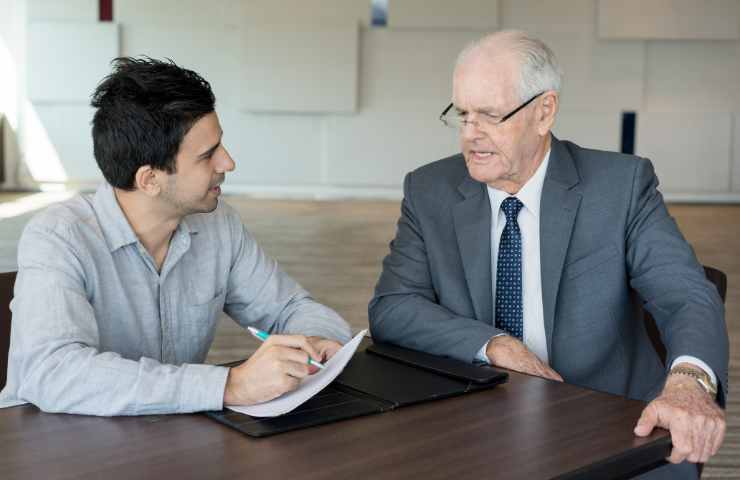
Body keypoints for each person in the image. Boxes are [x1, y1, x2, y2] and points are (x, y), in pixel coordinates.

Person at [369, 30, 727, 478]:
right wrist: (493, 345)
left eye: (490, 116)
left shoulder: (620, 186)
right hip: (474, 424)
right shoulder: (429, 191)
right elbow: (393, 307)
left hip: (614, 424)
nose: (470, 136)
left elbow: (686, 295)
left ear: (545, 111)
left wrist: (689, 384)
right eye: (461, 115)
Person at [0, 57, 351, 415]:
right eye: (208, 155)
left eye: (221, 146)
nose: (228, 163)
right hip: (54, 447)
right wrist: (230, 385)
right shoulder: (59, 237)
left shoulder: (218, 225)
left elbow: (290, 308)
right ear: (150, 180)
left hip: (167, 439)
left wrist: (318, 340)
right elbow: (52, 372)